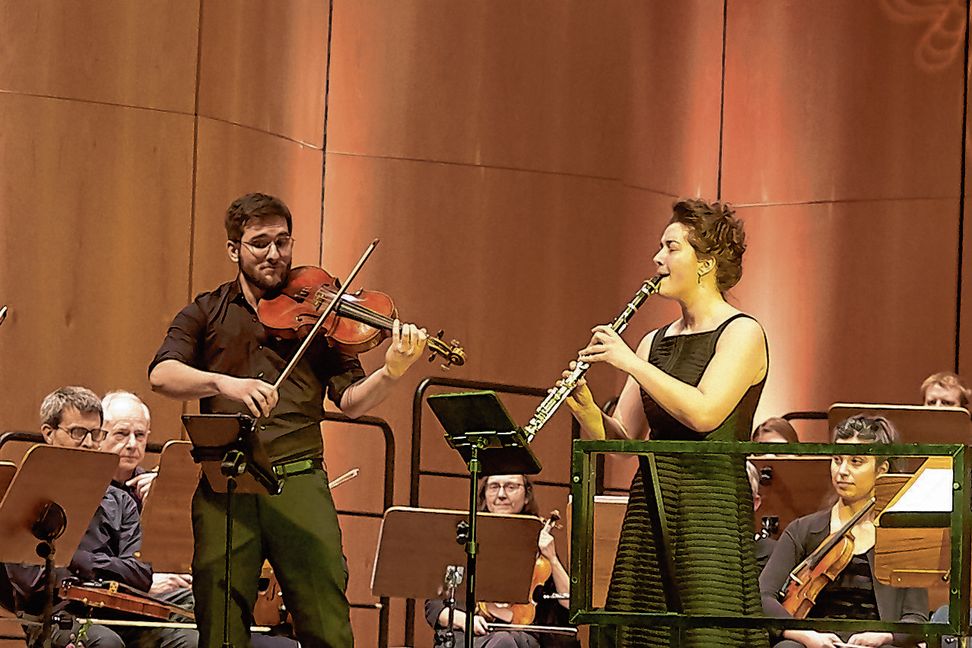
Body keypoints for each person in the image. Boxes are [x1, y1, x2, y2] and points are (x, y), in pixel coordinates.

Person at [148, 192, 429, 648]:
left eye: (283, 241)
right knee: (218, 626)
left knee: (326, 621)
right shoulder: (207, 311)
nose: (275, 255)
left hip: (297, 480)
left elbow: (353, 401)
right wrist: (226, 385)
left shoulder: (321, 316)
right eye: (260, 243)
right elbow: (162, 375)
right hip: (226, 485)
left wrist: (392, 372)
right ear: (233, 249)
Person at [563, 198, 769, 647]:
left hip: (708, 513)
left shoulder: (742, 332)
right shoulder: (653, 341)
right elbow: (620, 439)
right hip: (650, 511)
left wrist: (630, 363)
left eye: (671, 247)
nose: (657, 259)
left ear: (705, 264)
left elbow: (704, 412)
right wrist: (586, 410)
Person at [2, 387, 155, 648]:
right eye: (77, 432)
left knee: (188, 638)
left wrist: (77, 560)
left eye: (95, 434)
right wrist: (108, 571)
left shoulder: (121, 501)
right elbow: (34, 584)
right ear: (49, 434)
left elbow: (141, 575)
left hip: (121, 613)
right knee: (106, 643)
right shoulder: (22, 496)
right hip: (55, 617)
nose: (88, 443)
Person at [759, 415, 928, 648]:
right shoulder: (803, 530)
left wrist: (884, 635)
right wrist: (805, 635)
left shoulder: (901, 538)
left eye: (856, 462)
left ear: (882, 469)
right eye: (837, 460)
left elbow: (917, 618)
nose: (842, 471)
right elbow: (763, 595)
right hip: (815, 641)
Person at [424, 474, 578, 648]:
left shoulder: (538, 543)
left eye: (511, 487)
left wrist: (552, 558)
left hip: (522, 635)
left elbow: (570, 604)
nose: (502, 494)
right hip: (470, 633)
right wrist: (466, 620)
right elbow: (434, 607)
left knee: (505, 641)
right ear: (484, 495)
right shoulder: (465, 539)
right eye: (494, 486)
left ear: (527, 496)